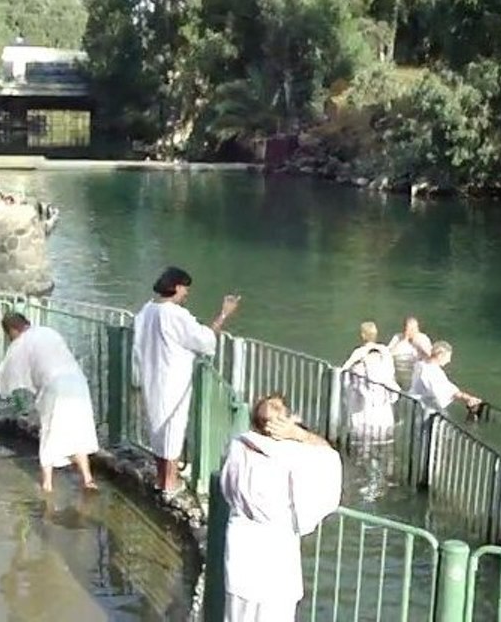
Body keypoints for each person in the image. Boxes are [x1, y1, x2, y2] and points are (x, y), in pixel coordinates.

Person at [220, 394, 343, 621]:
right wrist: (299, 434)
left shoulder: (237, 447)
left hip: (240, 548)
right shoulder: (294, 455)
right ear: (283, 424)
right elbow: (329, 457)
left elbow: (226, 487)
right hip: (277, 555)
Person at [132, 266, 240, 495]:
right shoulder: (174, 314)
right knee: (172, 429)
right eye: (185, 289)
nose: (186, 294)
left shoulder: (147, 310)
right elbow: (203, 339)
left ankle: (161, 478)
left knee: (158, 428)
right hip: (172, 380)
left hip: (151, 377)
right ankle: (170, 483)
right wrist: (223, 314)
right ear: (177, 286)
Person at [0, 311, 100, 493]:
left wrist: (7, 393)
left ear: (12, 330)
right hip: (77, 381)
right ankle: (88, 479)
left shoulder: (21, 343)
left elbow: (8, 373)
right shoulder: (47, 331)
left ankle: (47, 485)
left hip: (55, 386)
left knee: (50, 432)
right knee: (78, 431)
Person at [340, 321, 400, 445]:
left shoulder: (359, 352)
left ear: (362, 335)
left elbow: (343, 370)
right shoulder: (384, 351)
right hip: (383, 400)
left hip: (364, 403)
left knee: (363, 437)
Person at [410, 340, 482, 418]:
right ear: (440, 355)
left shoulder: (420, 364)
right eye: (448, 357)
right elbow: (446, 391)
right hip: (424, 408)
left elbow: (446, 385)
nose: (449, 360)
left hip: (412, 403)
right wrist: (466, 398)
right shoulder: (433, 371)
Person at [387, 316, 433, 388]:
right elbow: (388, 354)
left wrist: (418, 345)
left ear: (417, 329)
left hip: (415, 369)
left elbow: (431, 357)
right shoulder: (398, 337)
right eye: (407, 329)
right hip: (399, 368)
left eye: (412, 329)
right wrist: (403, 341)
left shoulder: (423, 338)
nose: (409, 332)